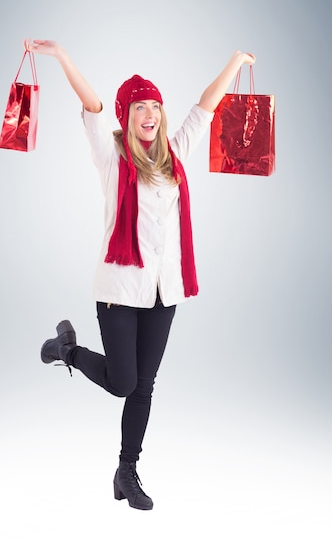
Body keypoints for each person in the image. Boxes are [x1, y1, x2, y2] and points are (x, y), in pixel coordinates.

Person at [25, 39, 255, 510]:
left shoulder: (175, 154)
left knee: (144, 388)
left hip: (163, 292)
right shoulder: (111, 158)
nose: (149, 113)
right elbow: (91, 105)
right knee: (123, 383)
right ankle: (66, 349)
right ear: (127, 115)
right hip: (118, 291)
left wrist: (236, 61)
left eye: (155, 105)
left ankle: (126, 470)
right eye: (140, 107)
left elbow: (206, 107)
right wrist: (63, 56)